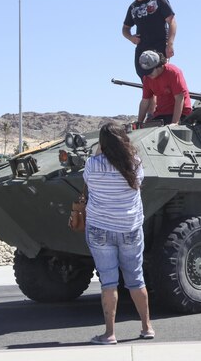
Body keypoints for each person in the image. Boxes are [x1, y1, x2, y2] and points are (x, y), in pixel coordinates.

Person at [84, 123, 154, 344]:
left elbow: (87, 181)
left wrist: (99, 150)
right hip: (130, 229)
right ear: (123, 140)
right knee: (136, 279)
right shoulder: (135, 164)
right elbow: (139, 183)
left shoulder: (93, 165)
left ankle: (110, 334)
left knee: (109, 282)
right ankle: (147, 327)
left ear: (103, 144)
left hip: (100, 230)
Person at [122, 0, 176, 79]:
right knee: (145, 78)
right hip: (142, 48)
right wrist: (131, 38)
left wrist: (169, 44)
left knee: (159, 77)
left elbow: (172, 22)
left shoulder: (159, 0)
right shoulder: (133, 7)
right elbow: (125, 28)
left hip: (159, 46)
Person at [136, 51, 192, 126]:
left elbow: (179, 98)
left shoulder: (173, 72)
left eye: (150, 71)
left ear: (158, 66)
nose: (148, 74)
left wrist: (175, 122)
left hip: (181, 114)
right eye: (145, 72)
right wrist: (139, 123)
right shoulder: (147, 78)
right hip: (161, 114)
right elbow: (145, 101)